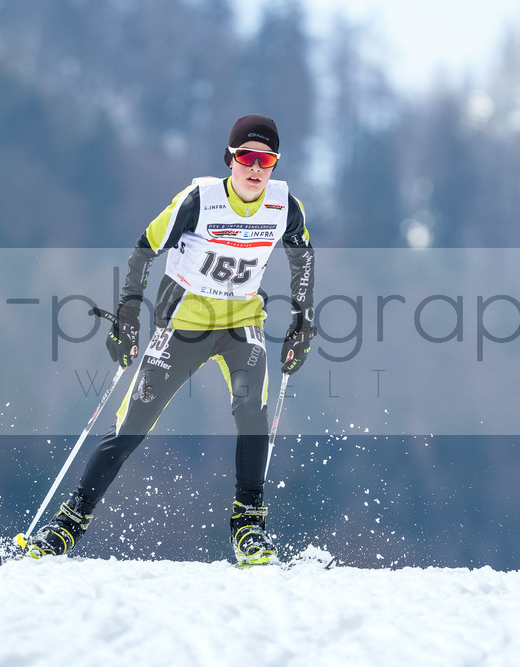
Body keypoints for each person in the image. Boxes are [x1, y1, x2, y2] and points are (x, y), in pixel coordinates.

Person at [25, 114, 316, 565]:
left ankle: (249, 524)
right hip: (184, 323)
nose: (256, 169)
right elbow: (146, 246)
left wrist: (303, 316)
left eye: (267, 160)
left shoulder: (285, 206)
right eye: (247, 157)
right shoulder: (200, 199)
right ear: (231, 158)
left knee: (250, 409)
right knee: (132, 425)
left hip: (242, 323)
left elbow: (303, 255)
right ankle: (68, 524)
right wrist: (127, 311)